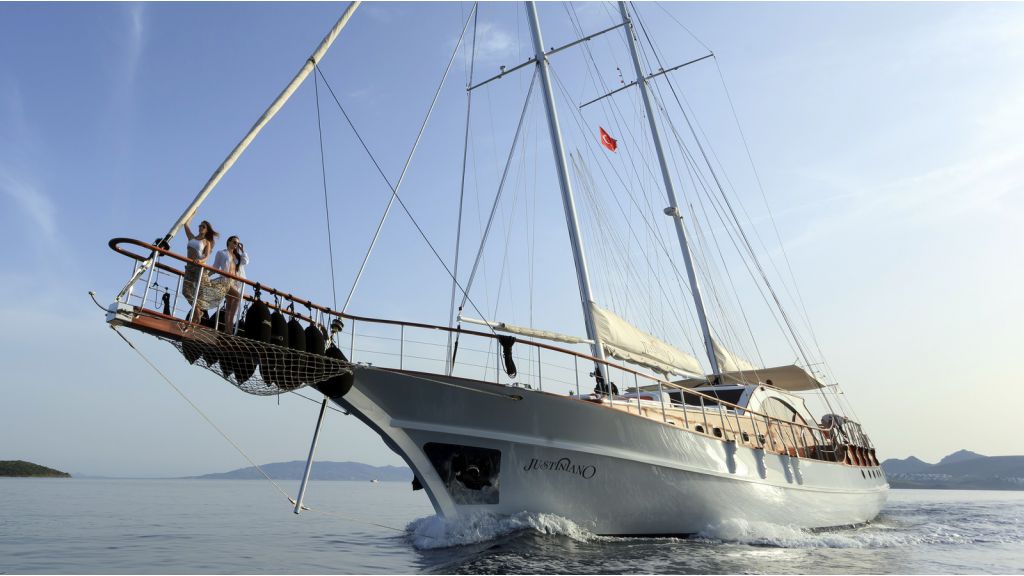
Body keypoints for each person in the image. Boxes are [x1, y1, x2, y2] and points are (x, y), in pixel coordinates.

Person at [182, 216, 225, 322]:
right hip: (189, 267)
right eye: (200, 226)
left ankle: (197, 313)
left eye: (203, 226)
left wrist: (200, 261)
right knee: (185, 291)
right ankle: (198, 311)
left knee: (199, 293)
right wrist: (193, 213)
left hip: (199, 267)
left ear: (206, 230)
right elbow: (185, 224)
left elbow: (206, 256)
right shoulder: (191, 237)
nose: (201, 227)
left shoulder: (207, 242)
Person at [213, 236, 250, 332]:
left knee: (229, 306)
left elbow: (245, 261)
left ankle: (227, 329)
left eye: (237, 243)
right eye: (234, 242)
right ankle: (230, 326)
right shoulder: (221, 253)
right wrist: (206, 275)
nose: (236, 245)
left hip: (234, 283)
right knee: (238, 297)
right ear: (229, 242)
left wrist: (242, 250)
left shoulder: (237, 256)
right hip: (225, 281)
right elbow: (215, 267)